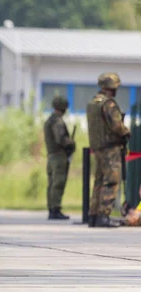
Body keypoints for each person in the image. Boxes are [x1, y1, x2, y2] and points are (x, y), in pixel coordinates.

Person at [86, 72, 130, 228]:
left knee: (99, 181)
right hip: (110, 148)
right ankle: (103, 215)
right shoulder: (108, 104)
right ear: (110, 87)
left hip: (98, 148)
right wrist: (126, 132)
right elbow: (116, 126)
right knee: (111, 181)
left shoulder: (93, 103)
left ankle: (93, 214)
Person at [44, 96, 76, 220]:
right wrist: (71, 143)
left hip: (51, 156)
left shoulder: (49, 120)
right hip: (59, 156)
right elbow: (61, 139)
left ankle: (52, 208)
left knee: (52, 183)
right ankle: (55, 209)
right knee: (58, 183)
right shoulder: (58, 122)